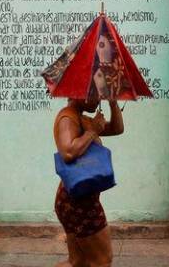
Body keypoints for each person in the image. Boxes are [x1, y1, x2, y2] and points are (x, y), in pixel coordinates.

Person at [54, 98, 123, 267]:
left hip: (76, 198)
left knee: (78, 262)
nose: (98, 99)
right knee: (102, 261)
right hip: (79, 202)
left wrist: (113, 103)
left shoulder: (80, 118)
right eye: (94, 94)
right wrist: (92, 132)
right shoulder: (67, 118)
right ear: (80, 94)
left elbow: (117, 128)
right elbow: (68, 152)